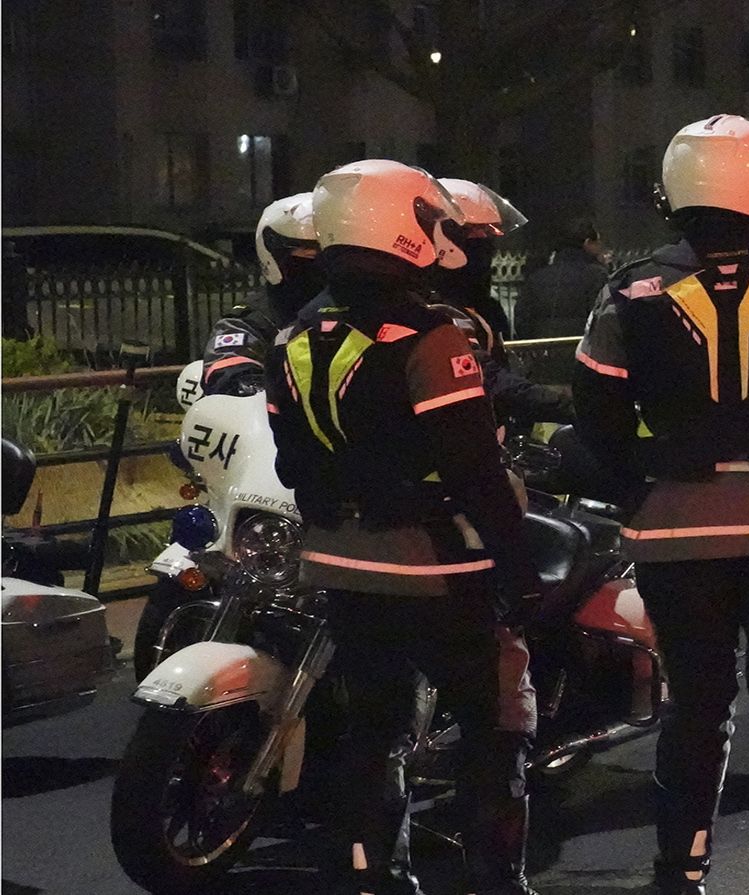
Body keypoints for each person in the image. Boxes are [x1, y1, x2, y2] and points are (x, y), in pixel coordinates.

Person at [571, 115, 749, 895]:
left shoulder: (630, 287)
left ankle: (682, 870)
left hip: (674, 527)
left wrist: (640, 478)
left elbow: (593, 407)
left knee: (695, 708)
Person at [263, 160, 539, 895]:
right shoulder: (431, 337)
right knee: (498, 716)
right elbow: (475, 471)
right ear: (403, 225)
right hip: (435, 564)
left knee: (375, 726)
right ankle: (494, 879)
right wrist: (519, 566)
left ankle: (372, 874)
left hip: (339, 563)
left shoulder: (294, 334)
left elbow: (292, 463)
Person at [434, 178, 573, 424]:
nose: (487, 254)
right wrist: (565, 405)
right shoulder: (436, 311)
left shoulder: (481, 306)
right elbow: (486, 377)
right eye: (477, 242)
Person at [200, 193, 325, 396]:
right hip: (283, 425)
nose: (322, 266)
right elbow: (229, 372)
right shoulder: (254, 320)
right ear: (275, 256)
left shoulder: (358, 307)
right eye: (310, 255)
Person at [516, 218, 609, 338]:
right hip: (581, 347)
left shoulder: (538, 277)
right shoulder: (597, 275)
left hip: (543, 348)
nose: (600, 246)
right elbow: (604, 318)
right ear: (587, 243)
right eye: (597, 242)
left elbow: (522, 317)